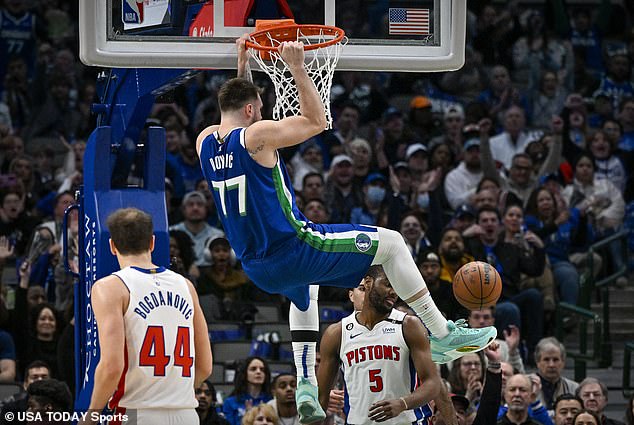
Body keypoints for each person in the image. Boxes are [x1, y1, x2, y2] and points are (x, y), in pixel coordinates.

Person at [196, 36, 497, 423]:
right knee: (391, 243)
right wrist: (297, 67)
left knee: (305, 293)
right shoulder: (256, 137)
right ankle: (440, 331)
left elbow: (236, 108)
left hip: (258, 268)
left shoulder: (206, 140)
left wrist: (243, 64)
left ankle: (306, 383)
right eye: (261, 109)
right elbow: (316, 121)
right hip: (296, 246)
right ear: (254, 110)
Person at [82, 208, 212, 424]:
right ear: (152, 242)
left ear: (112, 246)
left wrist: (90, 418)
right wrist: (172, 394)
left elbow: (112, 366)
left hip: (136, 412)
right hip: (186, 414)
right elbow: (205, 366)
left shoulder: (110, 287)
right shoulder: (186, 286)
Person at [317, 265, 441, 425]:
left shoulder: (409, 325)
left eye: (396, 287)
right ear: (368, 283)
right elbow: (322, 396)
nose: (394, 292)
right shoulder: (337, 333)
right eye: (388, 284)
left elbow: (433, 383)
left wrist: (403, 403)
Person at [223, 357, 272, 425]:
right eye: (253, 369)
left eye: (262, 369)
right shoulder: (230, 402)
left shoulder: (271, 401)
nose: (258, 372)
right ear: (245, 374)